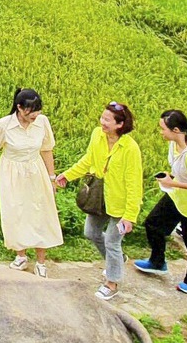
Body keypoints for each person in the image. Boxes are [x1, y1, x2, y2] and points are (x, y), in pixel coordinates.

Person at [0, 88, 63, 276]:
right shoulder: (4, 125)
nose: (35, 114)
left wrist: (52, 177)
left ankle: (41, 262)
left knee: (40, 212)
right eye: (31, 110)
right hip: (11, 173)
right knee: (16, 212)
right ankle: (20, 256)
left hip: (36, 171)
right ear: (19, 108)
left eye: (38, 109)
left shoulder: (42, 122)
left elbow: (46, 150)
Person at [56, 102, 142, 301]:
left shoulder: (130, 148)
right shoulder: (97, 135)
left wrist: (130, 216)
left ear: (120, 124)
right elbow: (88, 160)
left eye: (107, 120)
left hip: (120, 202)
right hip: (99, 196)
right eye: (102, 118)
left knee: (112, 241)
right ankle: (118, 261)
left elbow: (134, 183)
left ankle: (112, 283)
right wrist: (67, 176)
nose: (102, 122)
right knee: (91, 232)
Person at [134, 109, 187, 294]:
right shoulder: (174, 145)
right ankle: (157, 261)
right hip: (177, 196)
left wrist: (173, 182)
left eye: (163, 129)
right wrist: (172, 179)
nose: (161, 132)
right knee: (153, 224)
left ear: (176, 130)